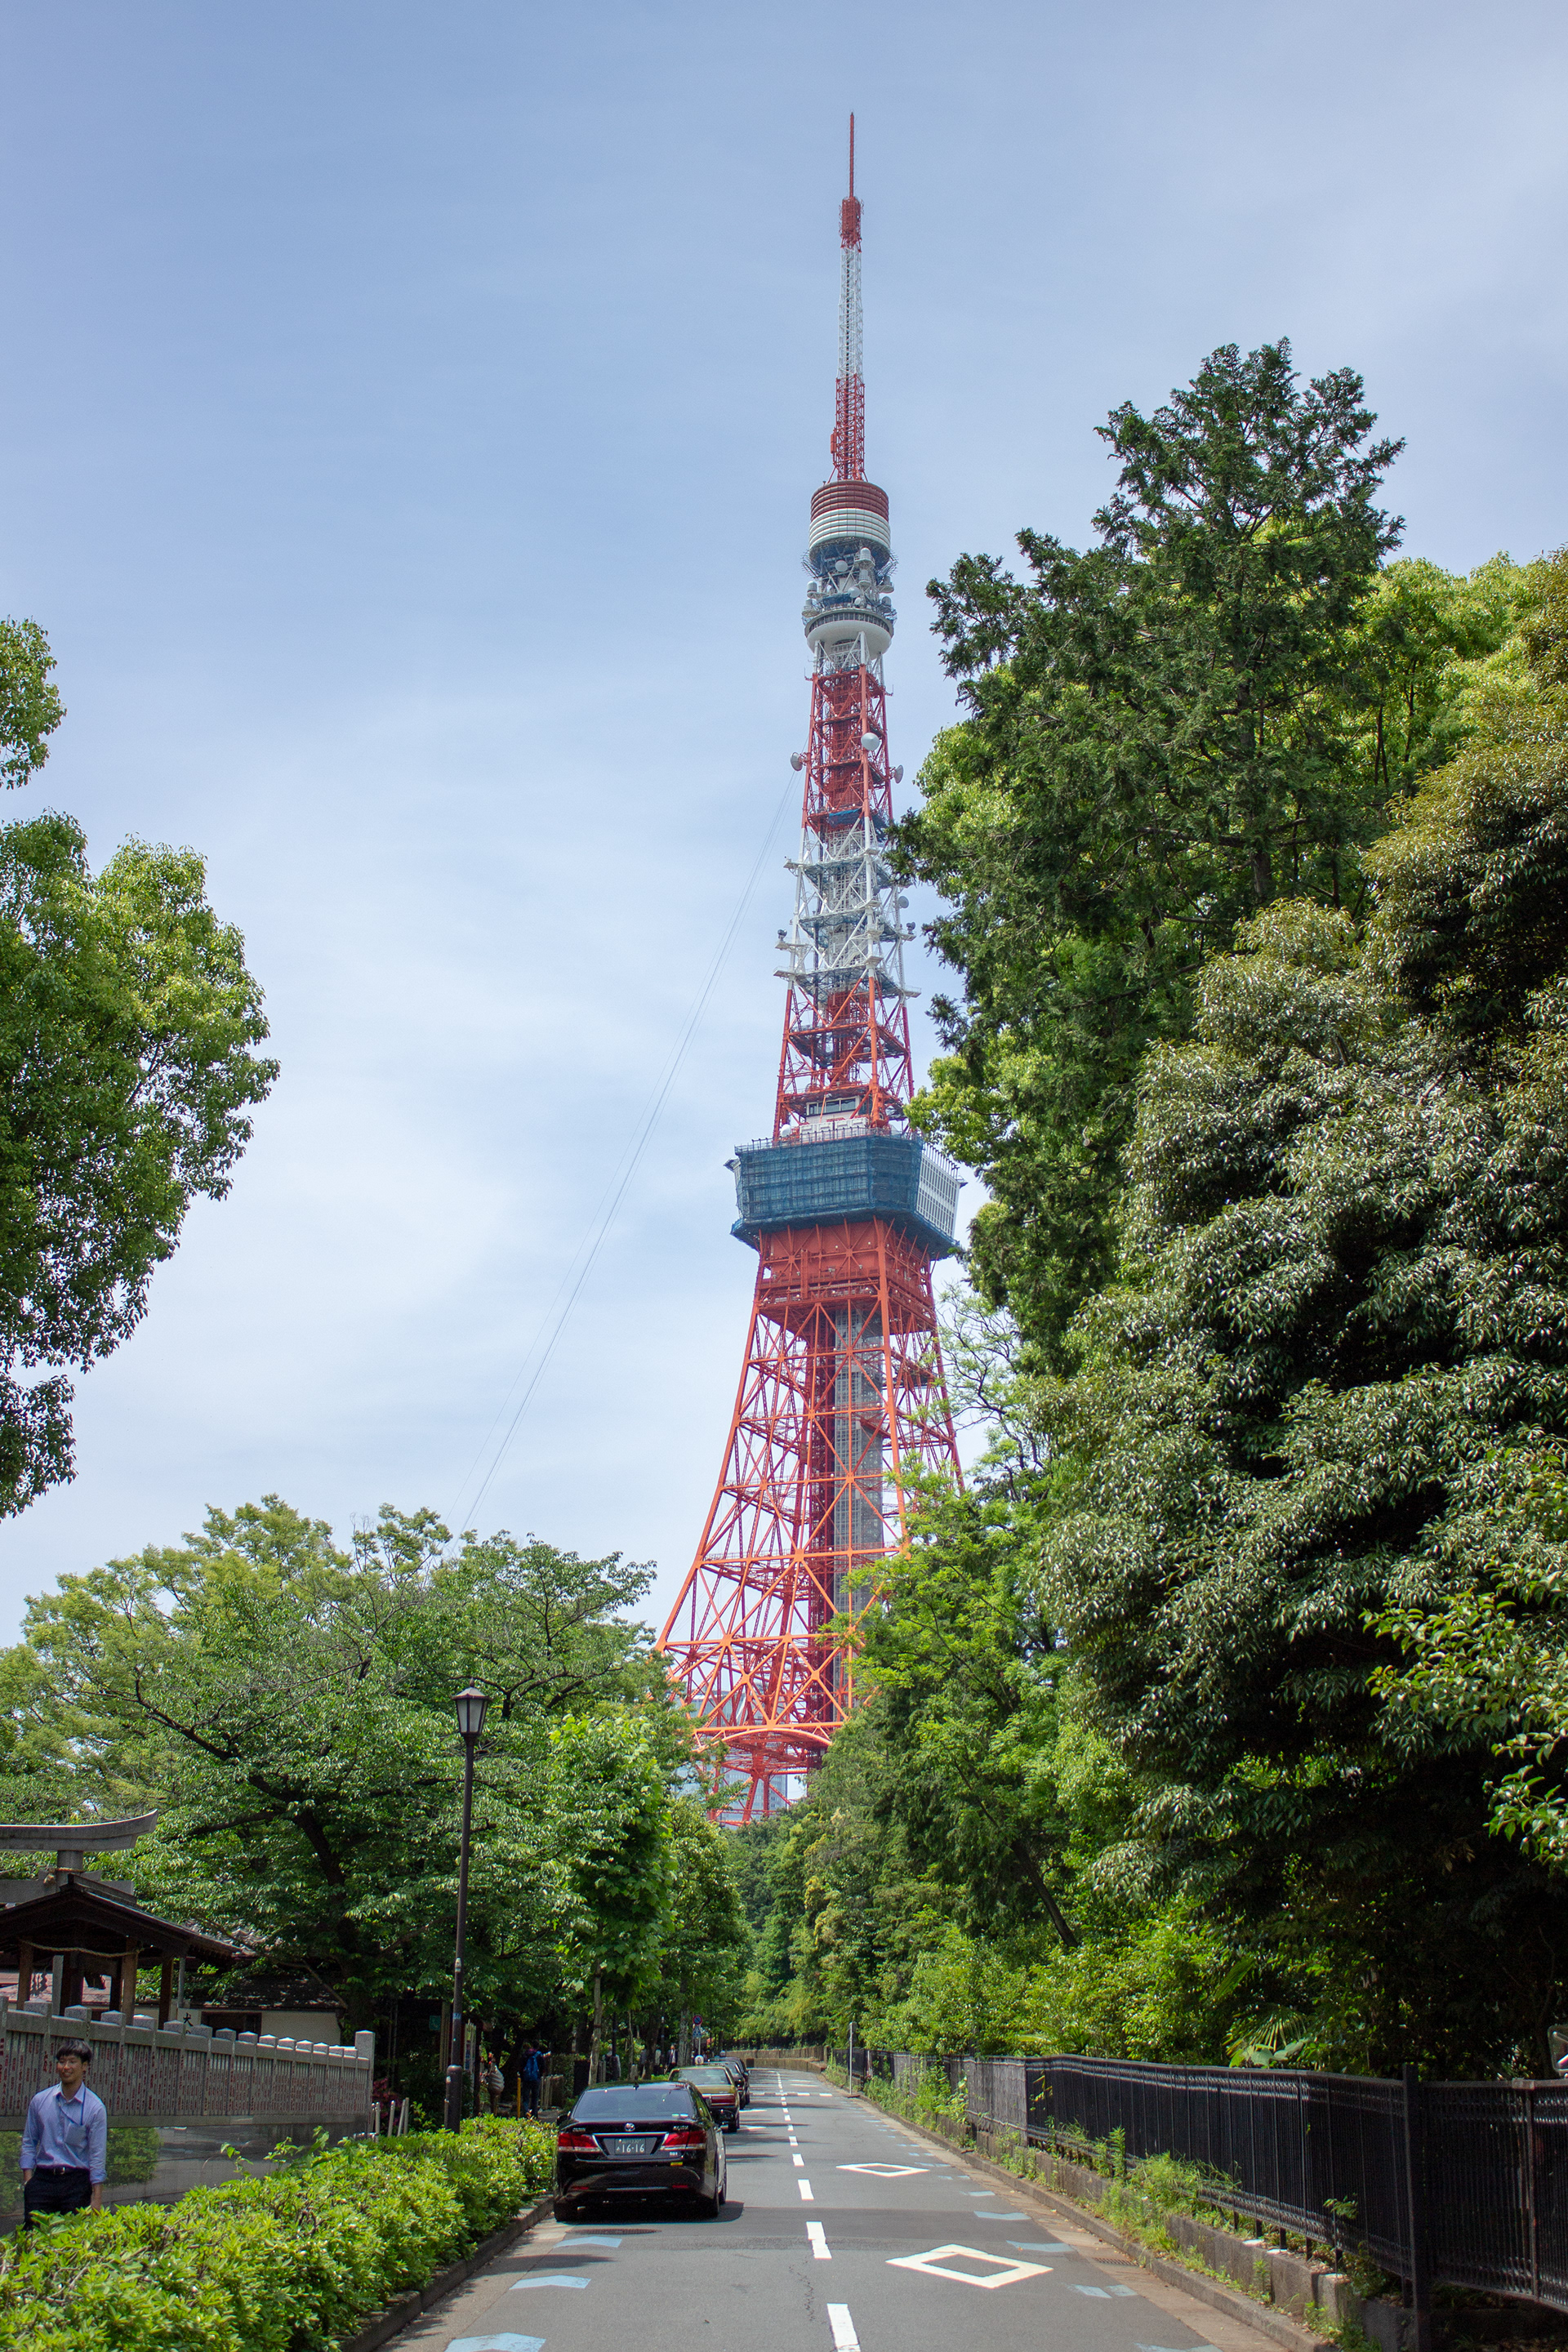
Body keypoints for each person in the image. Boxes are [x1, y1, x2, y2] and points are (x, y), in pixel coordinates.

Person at [20, 2040, 107, 2229]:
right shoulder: (40, 2101)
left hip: (76, 2183)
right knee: (34, 2238)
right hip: (42, 2180)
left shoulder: (94, 2108)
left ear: (84, 2066)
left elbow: (97, 2155)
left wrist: (97, 2198)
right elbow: (29, 2141)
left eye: (72, 2062)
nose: (65, 2067)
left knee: (71, 2239)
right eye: (61, 2061)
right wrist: (29, 2182)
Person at [519, 2042, 544, 2118]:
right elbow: (543, 2067)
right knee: (535, 2097)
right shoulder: (539, 2055)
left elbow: (521, 2066)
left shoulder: (525, 2054)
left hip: (526, 2079)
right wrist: (539, 2075)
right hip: (536, 2079)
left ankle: (526, 2112)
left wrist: (522, 2076)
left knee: (525, 2097)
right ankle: (534, 2114)